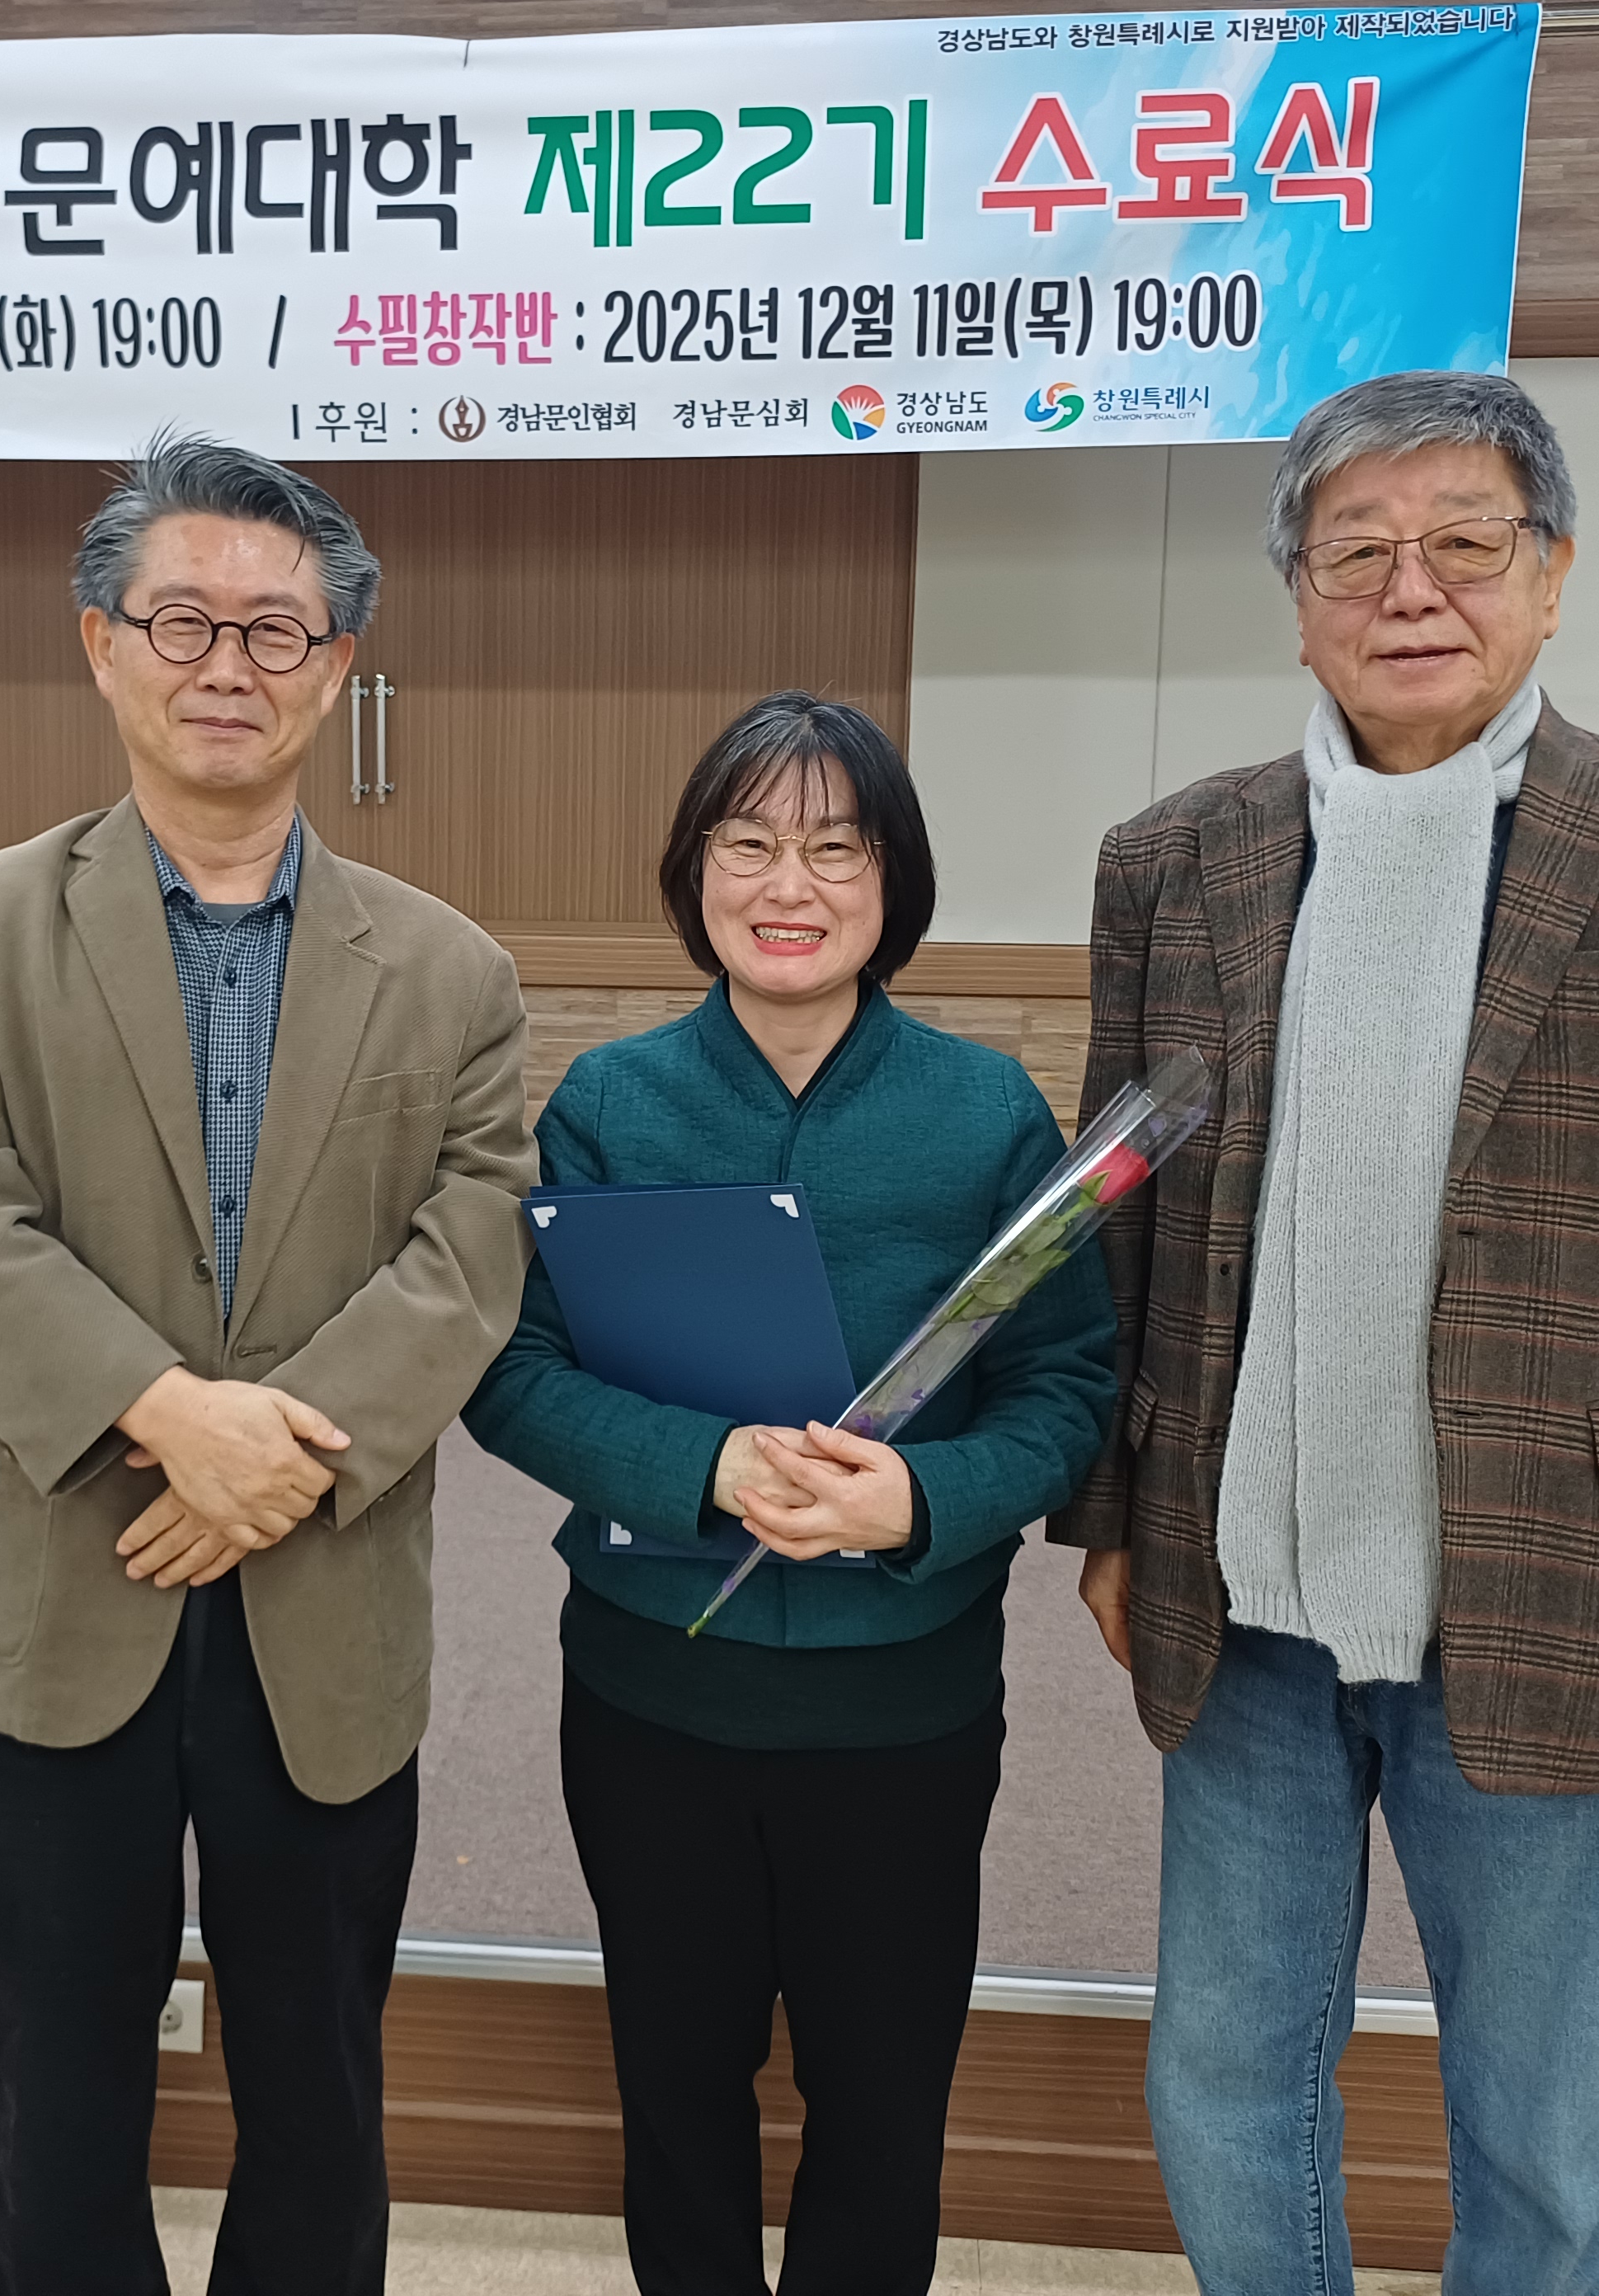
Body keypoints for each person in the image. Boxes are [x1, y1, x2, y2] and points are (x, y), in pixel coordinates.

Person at [1052, 371, 1599, 2294]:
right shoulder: (1173, 859)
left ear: (1548, 576)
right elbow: (1119, 1222)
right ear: (1297, 599)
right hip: (1240, 1592)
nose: (1410, 590)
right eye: (1356, 553)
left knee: (1538, 2118)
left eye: (1463, 543)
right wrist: (1108, 1517)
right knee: (1224, 2076)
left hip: (1558, 1574)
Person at [0, 431, 537, 2296]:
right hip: (67, 1588)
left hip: (322, 1602)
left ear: (336, 668)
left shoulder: (451, 971)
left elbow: (473, 1241)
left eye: (274, 630)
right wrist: (174, 1421)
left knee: (317, 2089)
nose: (226, 664)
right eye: (183, 621)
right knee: (57, 2091)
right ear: (101, 644)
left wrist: (275, 1464)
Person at [463, 693, 1116, 2296]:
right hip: (650, 1700)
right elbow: (511, 1370)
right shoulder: (611, 1102)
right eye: (747, 843)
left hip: (901, 1711)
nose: (788, 885)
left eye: (836, 847)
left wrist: (920, 1500)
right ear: (693, 871)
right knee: (673, 2089)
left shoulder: (983, 1112)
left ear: (895, 881)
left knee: (882, 2102)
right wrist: (698, 1466)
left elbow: (1068, 1388)